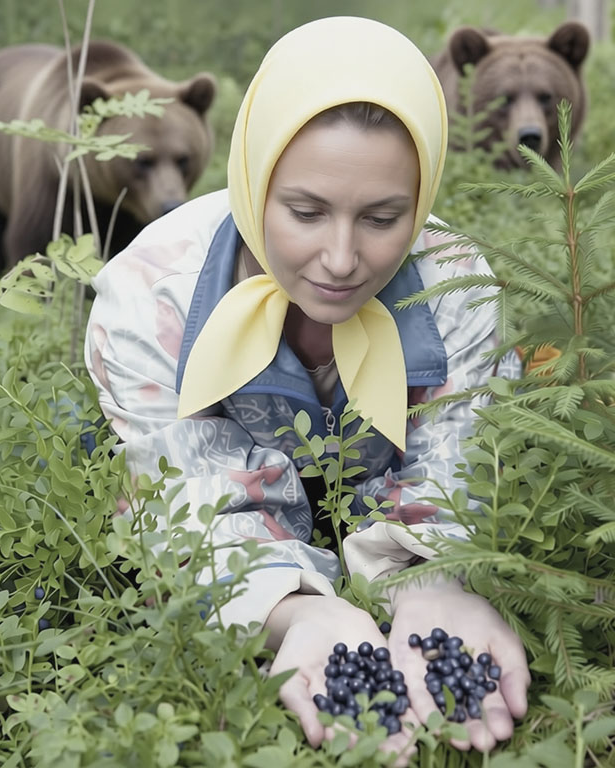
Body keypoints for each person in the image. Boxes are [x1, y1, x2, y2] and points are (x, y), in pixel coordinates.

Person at [84, 15, 530, 762]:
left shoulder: (457, 285)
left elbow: (456, 460)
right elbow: (186, 493)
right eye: (305, 211)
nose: (342, 258)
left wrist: (430, 582)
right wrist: (292, 613)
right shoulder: (147, 297)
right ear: (254, 176)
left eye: (385, 217)